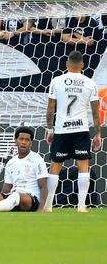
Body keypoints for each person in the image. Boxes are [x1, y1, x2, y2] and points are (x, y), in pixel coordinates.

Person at [44, 51, 102, 213]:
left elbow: (50, 109)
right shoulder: (90, 83)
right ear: (82, 65)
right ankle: (81, 206)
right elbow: (96, 112)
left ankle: (48, 205)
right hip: (81, 130)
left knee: (55, 167)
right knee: (83, 167)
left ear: (67, 64)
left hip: (62, 130)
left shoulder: (57, 81)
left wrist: (50, 129)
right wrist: (98, 134)